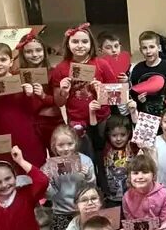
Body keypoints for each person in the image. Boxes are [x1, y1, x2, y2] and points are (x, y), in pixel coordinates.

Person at [0, 42, 48, 171]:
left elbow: (34, 110)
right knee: (5, 169)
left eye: (3, 59)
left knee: (32, 166)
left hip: (24, 131)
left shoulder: (22, 80)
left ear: (11, 62)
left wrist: (30, 95)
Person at [51, 24, 118, 162]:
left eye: (84, 41)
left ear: (91, 43)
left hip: (101, 118)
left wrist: (101, 90)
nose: (80, 45)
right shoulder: (60, 68)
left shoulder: (101, 64)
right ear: (68, 44)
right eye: (75, 41)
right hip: (76, 121)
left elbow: (116, 96)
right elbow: (59, 103)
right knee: (83, 157)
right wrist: (64, 91)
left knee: (104, 155)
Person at [41, 125, 97, 230]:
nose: (66, 148)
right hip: (61, 212)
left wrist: (88, 176)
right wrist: (46, 182)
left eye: (70, 144)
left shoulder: (85, 161)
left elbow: (93, 188)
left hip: (83, 212)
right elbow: (50, 195)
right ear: (54, 147)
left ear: (76, 143)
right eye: (61, 145)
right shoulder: (49, 166)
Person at [15, 34, 60, 150]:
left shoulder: (53, 72)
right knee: (35, 154)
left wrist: (43, 95)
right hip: (29, 123)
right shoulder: (17, 75)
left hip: (51, 122)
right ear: (22, 54)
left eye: (38, 50)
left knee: (58, 153)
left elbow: (58, 101)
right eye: (28, 52)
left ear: (44, 51)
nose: (34, 55)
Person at [130, 31, 166, 117]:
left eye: (152, 47)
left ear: (159, 48)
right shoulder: (137, 69)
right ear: (140, 50)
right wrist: (138, 99)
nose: (148, 51)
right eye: (144, 48)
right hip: (145, 116)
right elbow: (133, 93)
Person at [100, 114, 138, 206]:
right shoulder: (105, 147)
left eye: (123, 135)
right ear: (108, 135)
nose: (118, 139)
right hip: (111, 198)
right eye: (114, 135)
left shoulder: (132, 146)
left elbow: (140, 133)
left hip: (132, 197)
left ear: (129, 133)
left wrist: (133, 113)